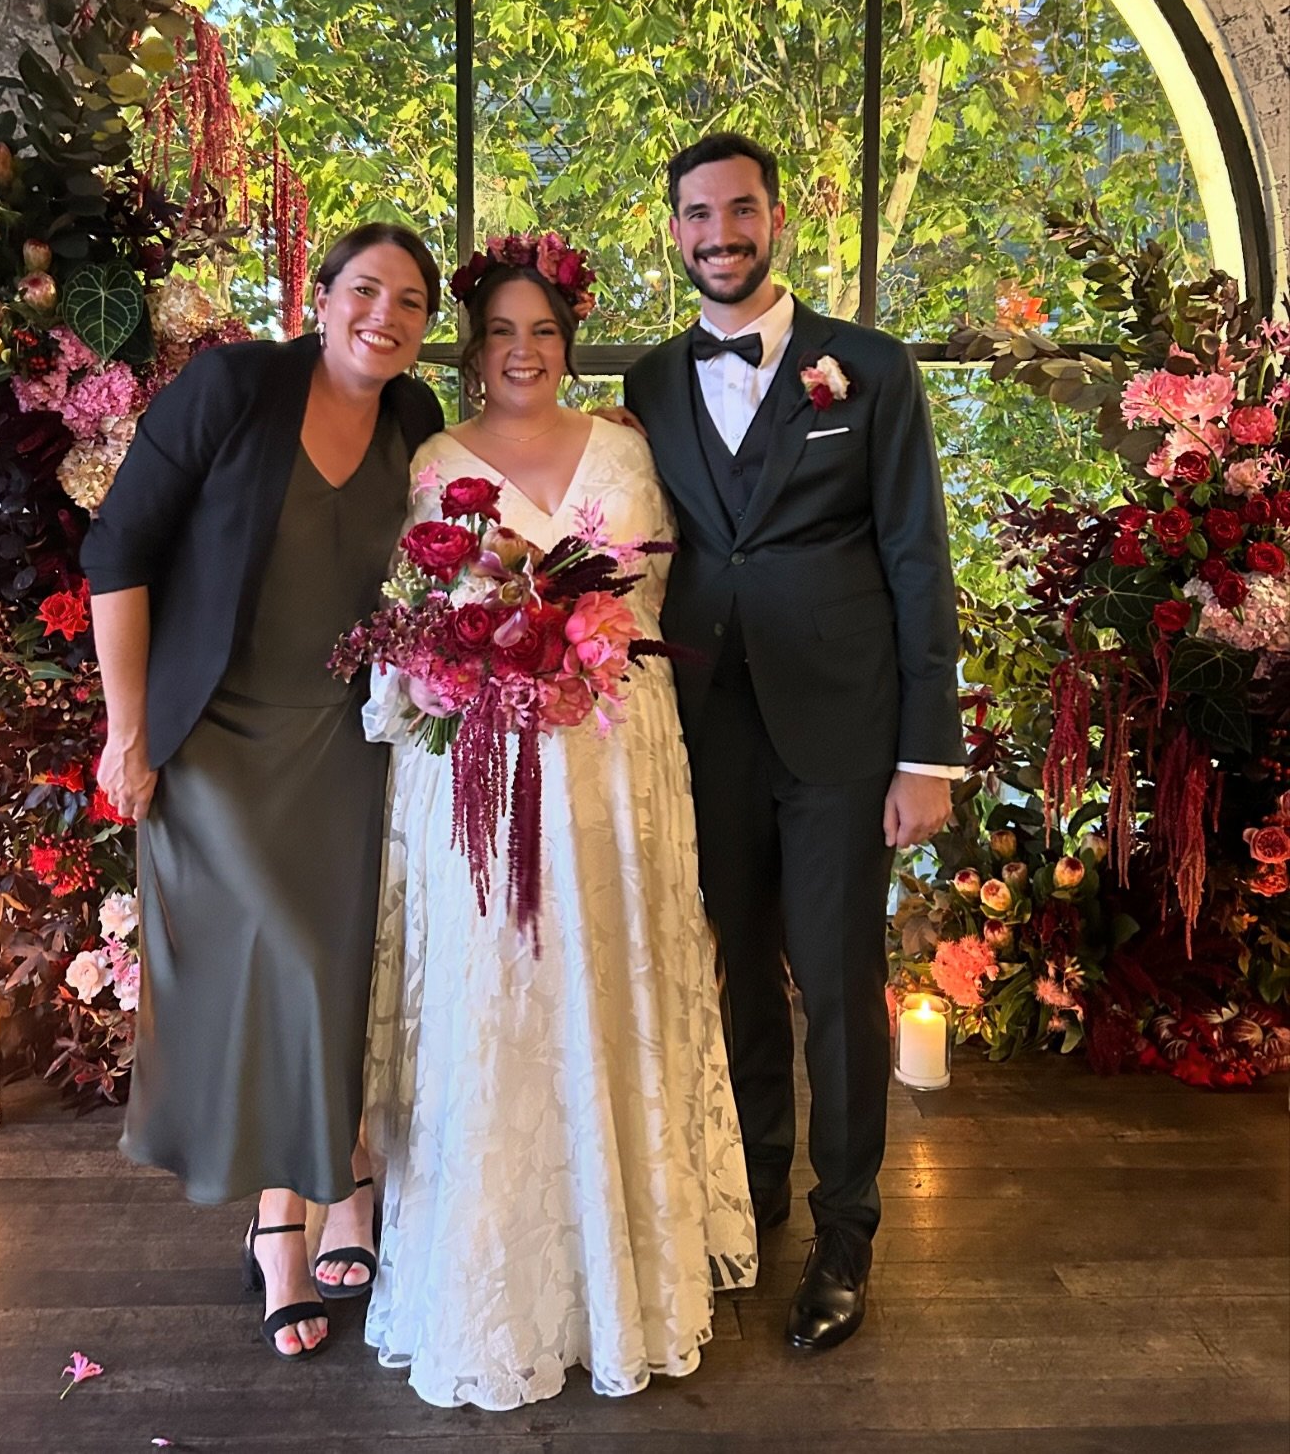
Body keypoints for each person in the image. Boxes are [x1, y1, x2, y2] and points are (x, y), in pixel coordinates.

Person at [359, 235, 757, 1410]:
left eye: (542, 332)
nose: (521, 352)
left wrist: (575, 645)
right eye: (499, 334)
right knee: (498, 1004)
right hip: (482, 774)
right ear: (473, 350)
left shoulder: (630, 447)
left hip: (615, 763)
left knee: (611, 983)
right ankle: (491, 1280)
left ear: (567, 344)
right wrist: (469, 658)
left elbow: (668, 592)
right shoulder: (430, 460)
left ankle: (627, 1264)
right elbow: (402, 624)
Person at [81, 223, 445, 1360]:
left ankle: (342, 1186)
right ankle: (282, 1219)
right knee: (281, 959)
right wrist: (126, 731)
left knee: (346, 967)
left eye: (413, 302)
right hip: (220, 738)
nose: (386, 316)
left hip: (354, 739)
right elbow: (118, 547)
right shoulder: (233, 388)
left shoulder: (417, 420)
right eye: (365, 291)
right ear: (320, 295)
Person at [623, 134, 963, 1352]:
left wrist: (928, 753)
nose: (721, 232)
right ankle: (753, 1194)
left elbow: (919, 558)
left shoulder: (869, 369)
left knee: (835, 983)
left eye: (741, 209)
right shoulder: (656, 382)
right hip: (705, 729)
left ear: (779, 217)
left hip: (843, 732)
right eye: (698, 215)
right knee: (737, 975)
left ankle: (847, 1232)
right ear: (675, 231)